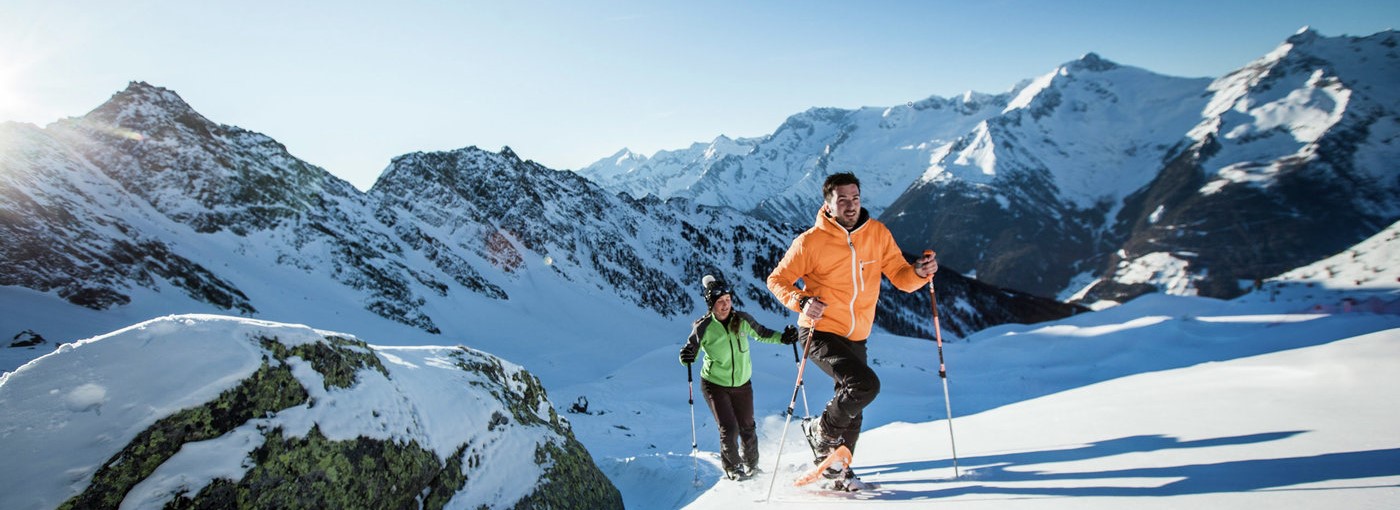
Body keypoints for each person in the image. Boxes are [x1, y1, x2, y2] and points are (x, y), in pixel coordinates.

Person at [766, 172, 938, 485]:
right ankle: (820, 431)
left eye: (855, 198)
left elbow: (901, 276)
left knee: (854, 409)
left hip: (857, 335)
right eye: (842, 200)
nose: (850, 205)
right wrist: (802, 301)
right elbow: (776, 280)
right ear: (828, 205)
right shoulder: (810, 242)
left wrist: (919, 272)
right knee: (864, 386)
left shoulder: (877, 234)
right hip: (818, 331)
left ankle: (837, 470)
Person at [680, 274, 798, 481]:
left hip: (742, 384)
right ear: (711, 305)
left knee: (747, 425)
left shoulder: (742, 320)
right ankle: (734, 468)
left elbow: (762, 333)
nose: (725, 305)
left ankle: (752, 466)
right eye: (720, 302)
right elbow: (690, 352)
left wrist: (784, 338)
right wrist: (686, 356)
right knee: (729, 428)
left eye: (728, 300)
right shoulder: (703, 327)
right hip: (714, 385)